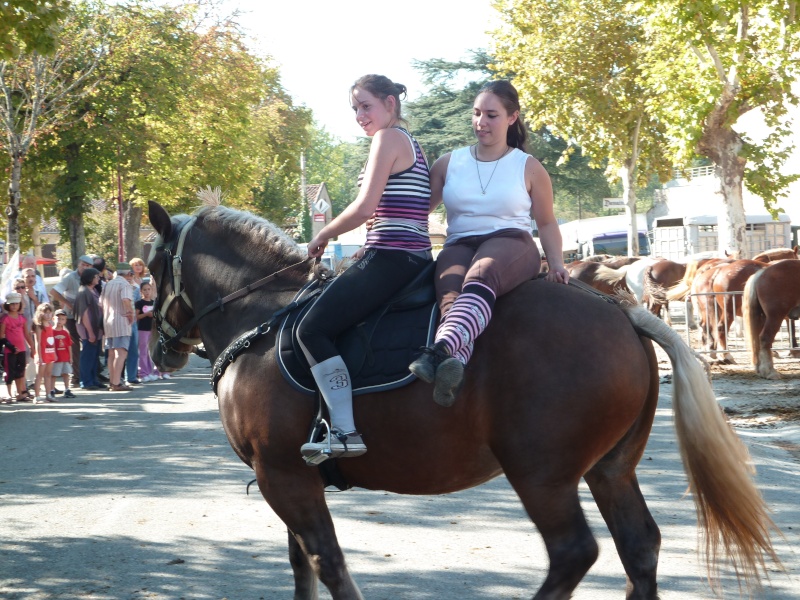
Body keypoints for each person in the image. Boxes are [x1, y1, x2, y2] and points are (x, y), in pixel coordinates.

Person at [408, 80, 570, 407]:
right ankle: (456, 365)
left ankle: (439, 351)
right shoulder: (449, 163)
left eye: (492, 115)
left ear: (512, 118)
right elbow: (415, 209)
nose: (481, 122)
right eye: (477, 113)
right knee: (450, 296)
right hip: (458, 244)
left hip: (512, 242)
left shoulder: (528, 167)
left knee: (480, 276)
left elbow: (547, 221)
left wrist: (556, 264)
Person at [298, 74, 433, 463]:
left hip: (393, 257)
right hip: (406, 255)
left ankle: (344, 431)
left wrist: (321, 236)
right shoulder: (410, 144)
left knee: (311, 328)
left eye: (365, 105)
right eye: (355, 108)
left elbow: (364, 207)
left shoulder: (387, 138)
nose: (359, 115)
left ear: (390, 104)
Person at [51, 255, 95, 385]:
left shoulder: (92, 277)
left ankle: (92, 374)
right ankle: (76, 377)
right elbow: (54, 292)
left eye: (88, 266)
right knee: (75, 346)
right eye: (83, 264)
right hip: (72, 317)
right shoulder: (70, 277)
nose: (85, 267)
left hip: (89, 316)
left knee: (91, 344)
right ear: (78, 264)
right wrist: (68, 304)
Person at [101, 263, 135, 391]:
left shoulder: (108, 284)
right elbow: (126, 300)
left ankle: (112, 381)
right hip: (121, 321)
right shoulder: (125, 284)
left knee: (111, 353)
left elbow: (101, 303)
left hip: (108, 322)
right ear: (128, 273)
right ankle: (116, 383)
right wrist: (130, 313)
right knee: (121, 353)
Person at [73, 268, 105, 390]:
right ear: (90, 278)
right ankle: (86, 381)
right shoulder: (83, 292)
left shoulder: (93, 291)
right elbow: (84, 314)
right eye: (96, 276)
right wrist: (90, 332)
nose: (98, 278)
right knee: (87, 356)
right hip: (88, 330)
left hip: (97, 329)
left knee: (94, 355)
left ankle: (94, 379)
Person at [0, 292, 35, 402]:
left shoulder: (22, 318)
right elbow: (1, 336)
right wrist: (11, 347)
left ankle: (20, 393)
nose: (14, 306)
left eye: (16, 303)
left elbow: (26, 334)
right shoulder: (5, 319)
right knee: (9, 372)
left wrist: (32, 347)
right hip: (10, 350)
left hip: (22, 349)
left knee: (20, 371)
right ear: (7, 305)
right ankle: (9, 394)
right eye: (12, 304)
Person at [31, 302, 57, 403]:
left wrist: (54, 353)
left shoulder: (50, 325)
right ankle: (36, 396)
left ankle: (48, 394)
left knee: (48, 374)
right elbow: (38, 342)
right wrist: (39, 356)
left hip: (50, 352)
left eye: (50, 313)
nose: (48, 315)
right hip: (42, 354)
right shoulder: (39, 326)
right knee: (39, 375)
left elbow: (52, 339)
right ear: (40, 313)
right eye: (45, 313)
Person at [135, 280, 160, 382]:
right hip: (143, 329)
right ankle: (143, 372)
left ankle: (154, 372)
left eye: (149, 289)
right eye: (144, 290)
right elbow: (136, 317)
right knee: (143, 352)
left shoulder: (154, 302)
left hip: (153, 330)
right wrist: (146, 314)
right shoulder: (139, 303)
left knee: (153, 351)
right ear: (141, 291)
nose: (147, 292)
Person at [120, 266, 141, 385]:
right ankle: (120, 376)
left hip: (133, 322)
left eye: (131, 275)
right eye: (127, 275)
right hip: (121, 321)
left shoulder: (136, 288)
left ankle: (132, 376)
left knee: (133, 350)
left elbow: (138, 303)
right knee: (121, 350)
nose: (129, 277)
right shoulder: (117, 286)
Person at [52, 309, 76, 398]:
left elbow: (69, 345)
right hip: (56, 357)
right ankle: (51, 389)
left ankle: (67, 389)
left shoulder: (66, 332)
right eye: (58, 318)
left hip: (65, 356)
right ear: (53, 318)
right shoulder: (51, 331)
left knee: (66, 373)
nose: (60, 321)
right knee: (54, 374)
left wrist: (71, 357)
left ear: (65, 320)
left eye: (62, 319)